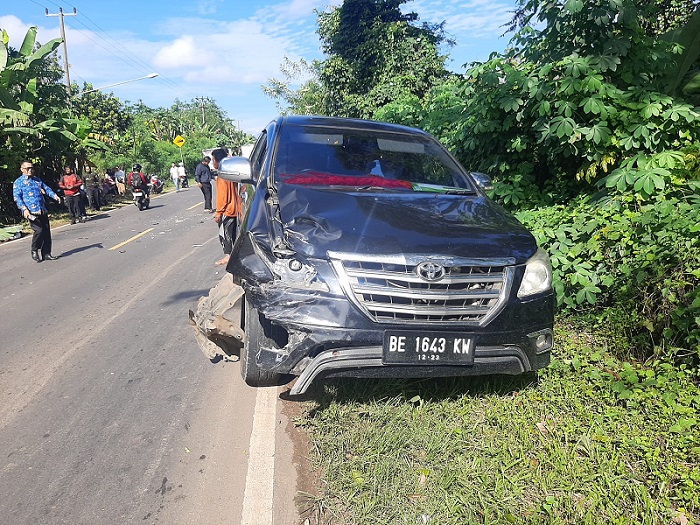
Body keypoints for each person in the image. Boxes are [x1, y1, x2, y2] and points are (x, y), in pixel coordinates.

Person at [13, 161, 61, 262]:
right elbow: (17, 198)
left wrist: (55, 196)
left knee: (46, 232)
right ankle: (34, 249)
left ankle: (46, 253)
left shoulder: (37, 180)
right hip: (30, 212)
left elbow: (46, 189)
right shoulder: (18, 182)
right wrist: (24, 210)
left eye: (31, 168)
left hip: (41, 209)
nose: (30, 170)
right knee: (39, 231)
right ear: (22, 169)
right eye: (28, 168)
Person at [211, 148, 245, 266]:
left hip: (227, 210)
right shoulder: (231, 171)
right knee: (235, 233)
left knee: (225, 234)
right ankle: (236, 255)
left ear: (217, 161)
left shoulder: (222, 175)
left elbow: (222, 195)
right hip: (236, 208)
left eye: (213, 160)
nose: (212, 162)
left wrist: (219, 212)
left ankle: (228, 256)